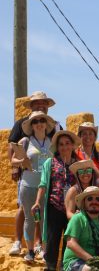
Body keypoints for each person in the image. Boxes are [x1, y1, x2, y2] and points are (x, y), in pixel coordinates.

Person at [8, 92, 60, 258]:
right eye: (36, 121)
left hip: (45, 185)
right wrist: (19, 164)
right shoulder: (23, 134)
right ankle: (24, 246)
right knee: (27, 215)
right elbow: (12, 151)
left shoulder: (53, 139)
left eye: (42, 120)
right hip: (28, 183)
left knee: (44, 219)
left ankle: (41, 248)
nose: (39, 122)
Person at [31, 130, 80, 271]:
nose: (64, 147)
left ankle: (65, 269)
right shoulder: (50, 162)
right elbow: (43, 184)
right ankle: (50, 268)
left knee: (69, 238)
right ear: (57, 147)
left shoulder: (78, 163)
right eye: (61, 144)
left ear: (72, 145)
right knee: (52, 238)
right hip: (54, 205)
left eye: (67, 143)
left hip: (73, 208)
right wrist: (38, 201)